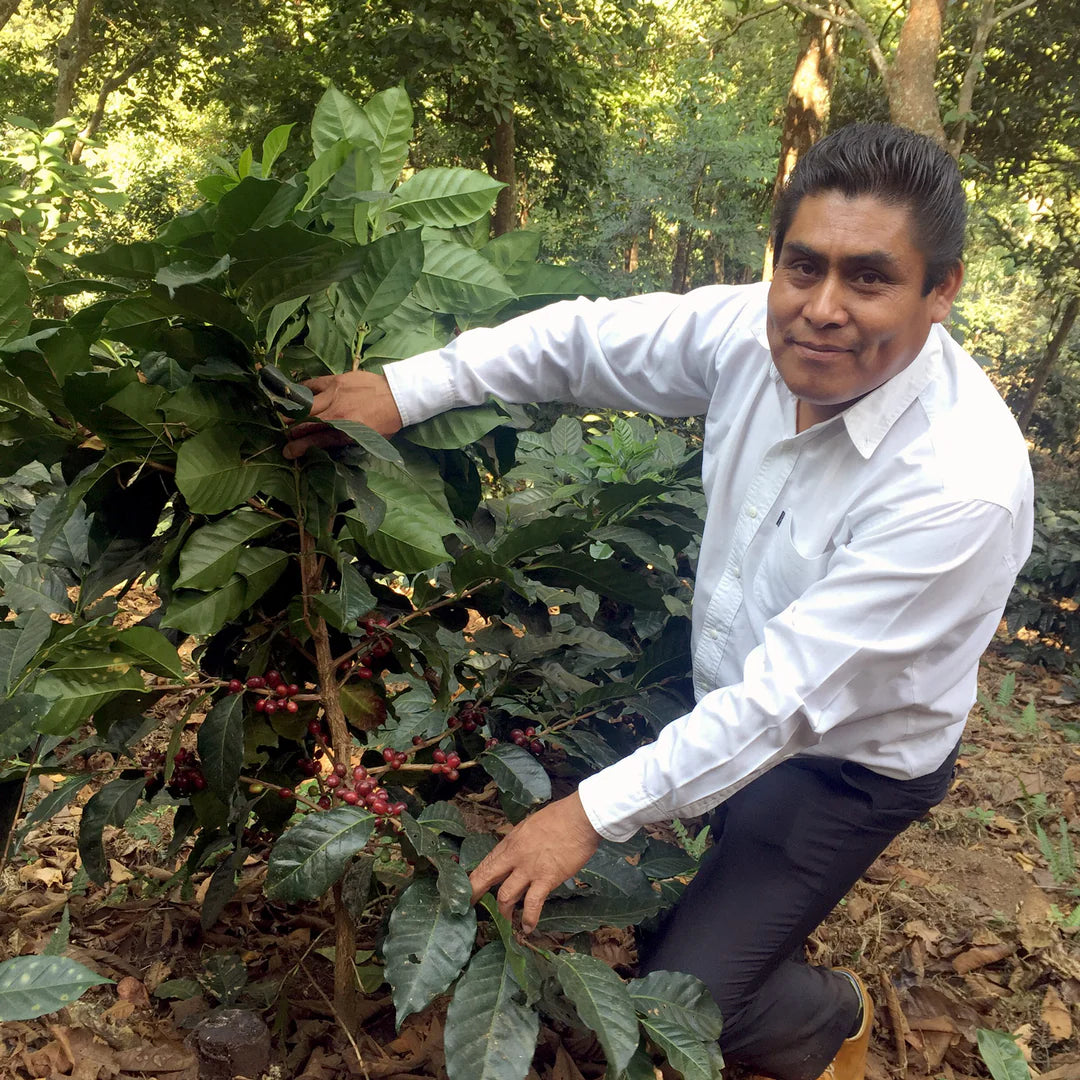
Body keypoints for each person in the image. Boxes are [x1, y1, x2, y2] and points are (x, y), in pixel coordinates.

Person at [284, 124, 1033, 1080]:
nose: (822, 309)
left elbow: (784, 705)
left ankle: (830, 1016)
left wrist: (582, 817)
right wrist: (406, 386)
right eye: (802, 267)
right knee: (705, 916)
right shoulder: (751, 336)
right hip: (734, 696)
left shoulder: (955, 485)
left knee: (689, 997)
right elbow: (582, 339)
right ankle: (753, 931)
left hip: (851, 761)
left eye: (870, 279)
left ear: (942, 291)